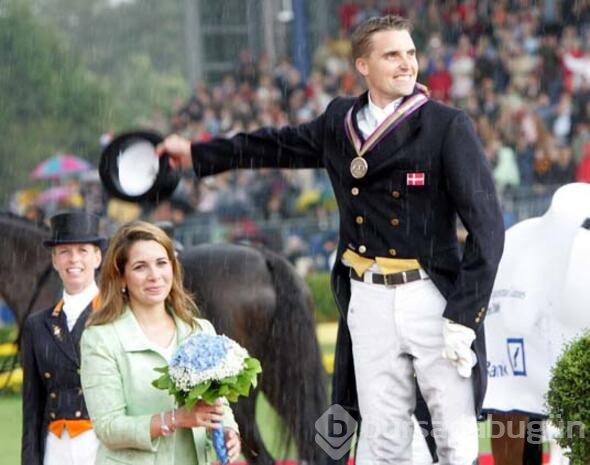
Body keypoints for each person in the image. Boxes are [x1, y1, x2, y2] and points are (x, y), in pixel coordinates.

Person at [156, 15, 505, 464]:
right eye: (392, 55)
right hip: (368, 296)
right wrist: (199, 152)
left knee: (453, 431)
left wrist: (463, 314)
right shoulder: (341, 120)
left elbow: (487, 229)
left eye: (411, 53)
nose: (406, 64)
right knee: (382, 434)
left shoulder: (445, 126)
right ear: (363, 65)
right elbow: (276, 146)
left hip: (429, 297)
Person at [79, 221, 241, 465]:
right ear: (121, 278)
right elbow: (108, 428)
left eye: (161, 263)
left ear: (173, 268)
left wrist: (229, 430)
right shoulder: (100, 339)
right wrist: (175, 419)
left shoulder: (200, 331)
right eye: (140, 267)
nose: (154, 275)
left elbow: (219, 403)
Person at [21, 211, 105, 465]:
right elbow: (32, 408)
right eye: (64, 252)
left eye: (82, 250)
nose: (73, 259)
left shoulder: (115, 315)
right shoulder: (37, 325)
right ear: (55, 260)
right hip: (55, 447)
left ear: (98, 257)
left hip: (103, 444)